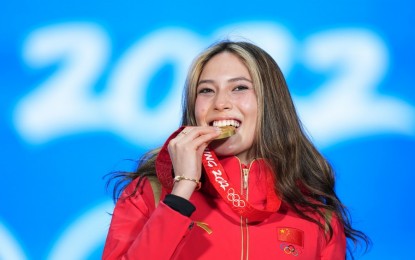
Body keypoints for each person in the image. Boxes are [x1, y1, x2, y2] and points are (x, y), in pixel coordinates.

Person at [102, 40, 369, 259]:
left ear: (271, 103)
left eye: (239, 87)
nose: (220, 103)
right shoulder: (151, 194)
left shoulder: (316, 217)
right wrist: (181, 191)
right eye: (206, 91)